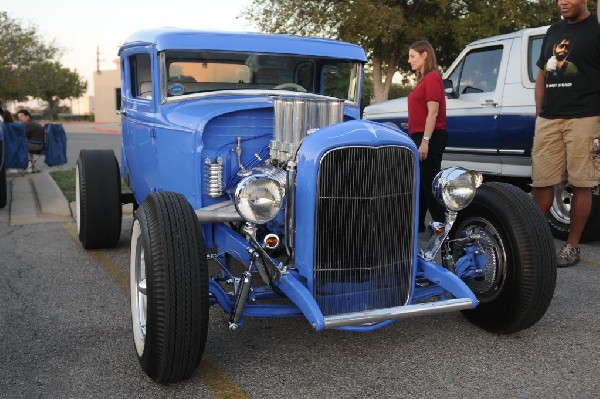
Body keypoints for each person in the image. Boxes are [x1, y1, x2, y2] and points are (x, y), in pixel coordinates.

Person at [532, 0, 600, 267]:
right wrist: (540, 113)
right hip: (550, 118)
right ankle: (535, 244)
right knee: (541, 181)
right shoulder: (553, 31)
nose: (563, 1)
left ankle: (572, 246)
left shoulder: (596, 28)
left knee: (582, 182)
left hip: (586, 116)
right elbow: (542, 74)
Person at [407, 40, 448, 233]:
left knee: (430, 185)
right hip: (420, 136)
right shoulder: (423, 80)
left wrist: (425, 142)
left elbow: (433, 113)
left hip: (430, 137)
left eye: (412, 56)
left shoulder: (432, 78)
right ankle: (417, 225)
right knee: (421, 183)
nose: (409, 61)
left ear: (425, 55)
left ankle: (444, 228)